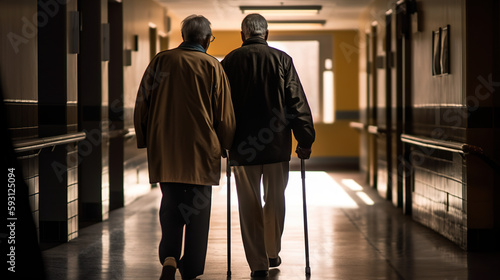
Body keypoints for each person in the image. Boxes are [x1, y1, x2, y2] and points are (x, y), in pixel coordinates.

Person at [134, 15, 235, 280]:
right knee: (198, 212)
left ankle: (169, 257)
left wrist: (144, 138)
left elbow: (142, 103)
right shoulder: (213, 66)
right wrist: (227, 145)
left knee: (171, 203)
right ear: (205, 39)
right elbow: (223, 114)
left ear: (184, 36)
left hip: (165, 150)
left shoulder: (161, 61)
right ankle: (191, 269)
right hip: (202, 152)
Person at [221, 13, 315, 278]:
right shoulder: (282, 60)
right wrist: (305, 139)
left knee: (248, 206)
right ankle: (272, 251)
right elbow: (297, 102)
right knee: (275, 200)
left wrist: (221, 141)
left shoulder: (229, 61)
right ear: (267, 34)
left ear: (243, 35)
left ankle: (258, 265)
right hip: (276, 145)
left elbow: (219, 106)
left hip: (241, 148)